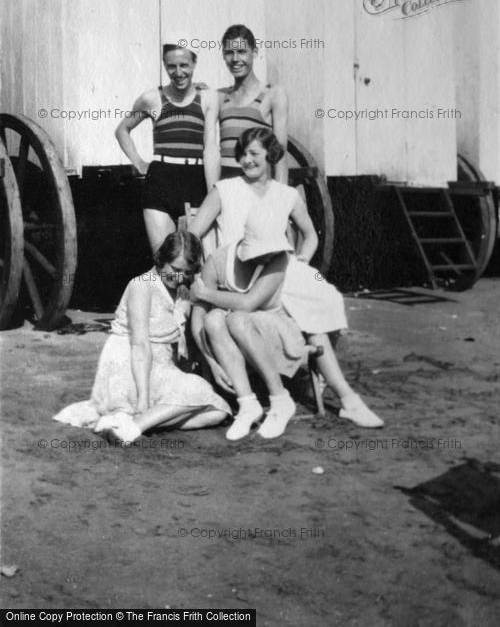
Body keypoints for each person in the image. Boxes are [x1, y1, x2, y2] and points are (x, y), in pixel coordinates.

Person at [190, 127, 384, 429]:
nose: (247, 160)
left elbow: (310, 236)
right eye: (242, 154)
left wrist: (302, 259)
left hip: (278, 270)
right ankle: (341, 395)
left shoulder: (287, 194)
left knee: (320, 305)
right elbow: (192, 233)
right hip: (236, 270)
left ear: (270, 155)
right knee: (307, 317)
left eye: (254, 153)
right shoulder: (225, 189)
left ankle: (344, 397)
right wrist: (204, 266)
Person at [53, 231, 231, 444]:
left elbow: (194, 330)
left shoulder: (182, 289)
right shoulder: (142, 285)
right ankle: (134, 426)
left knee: (218, 411)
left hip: (161, 368)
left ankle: (128, 424)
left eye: (186, 272)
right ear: (161, 260)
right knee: (199, 389)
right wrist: (144, 397)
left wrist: (212, 363)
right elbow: (140, 345)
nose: (179, 277)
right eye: (174, 270)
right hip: (130, 368)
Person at [190, 213, 308, 441]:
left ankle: (280, 398)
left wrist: (204, 292)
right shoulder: (218, 261)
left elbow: (248, 303)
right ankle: (247, 404)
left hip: (277, 330)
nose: (268, 255)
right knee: (213, 318)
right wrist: (212, 362)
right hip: (237, 338)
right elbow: (198, 317)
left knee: (236, 318)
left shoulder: (278, 259)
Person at [115, 36, 220, 252]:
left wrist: (213, 194)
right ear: (164, 65)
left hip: (195, 179)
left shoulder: (208, 98)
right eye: (172, 66)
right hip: (161, 181)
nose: (178, 72)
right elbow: (122, 130)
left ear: (194, 64)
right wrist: (139, 161)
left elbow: (210, 147)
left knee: (196, 260)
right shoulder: (151, 98)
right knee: (164, 260)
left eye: (184, 65)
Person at [218, 24, 289, 183]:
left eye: (242, 52)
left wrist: (281, 199)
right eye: (229, 53)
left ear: (254, 52)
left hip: (257, 188)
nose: (235, 59)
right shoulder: (219, 96)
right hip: (226, 190)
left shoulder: (273, 94)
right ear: (223, 55)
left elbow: (280, 154)